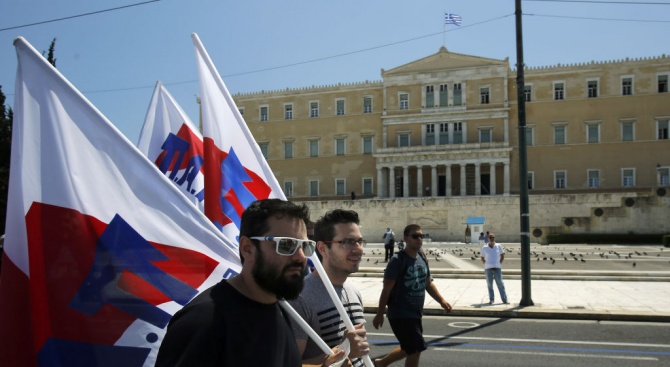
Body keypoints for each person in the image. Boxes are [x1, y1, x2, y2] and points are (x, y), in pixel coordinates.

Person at [155, 199, 346, 367]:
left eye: (305, 246)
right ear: (247, 249)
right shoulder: (203, 321)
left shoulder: (281, 310)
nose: (301, 256)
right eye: (286, 245)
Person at [289, 209, 370, 367]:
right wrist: (341, 353)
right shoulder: (301, 298)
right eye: (347, 242)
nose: (358, 248)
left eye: (359, 241)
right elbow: (290, 362)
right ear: (322, 248)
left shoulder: (354, 292)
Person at [373, 224, 452, 367]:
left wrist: (442, 301)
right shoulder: (397, 260)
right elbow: (386, 289)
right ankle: (381, 363)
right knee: (416, 348)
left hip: (415, 313)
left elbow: (428, 283)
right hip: (400, 313)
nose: (419, 239)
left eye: (421, 236)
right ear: (405, 239)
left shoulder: (422, 256)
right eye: (415, 236)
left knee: (409, 347)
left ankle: (381, 363)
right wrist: (379, 314)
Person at [480, 232, 509, 305]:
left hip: (497, 268)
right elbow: (482, 257)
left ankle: (504, 299)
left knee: (500, 284)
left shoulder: (498, 246)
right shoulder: (484, 247)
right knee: (490, 285)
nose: (492, 238)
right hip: (488, 268)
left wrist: (500, 263)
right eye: (490, 237)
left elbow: (502, 255)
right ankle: (491, 299)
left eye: (493, 237)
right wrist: (486, 263)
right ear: (488, 238)